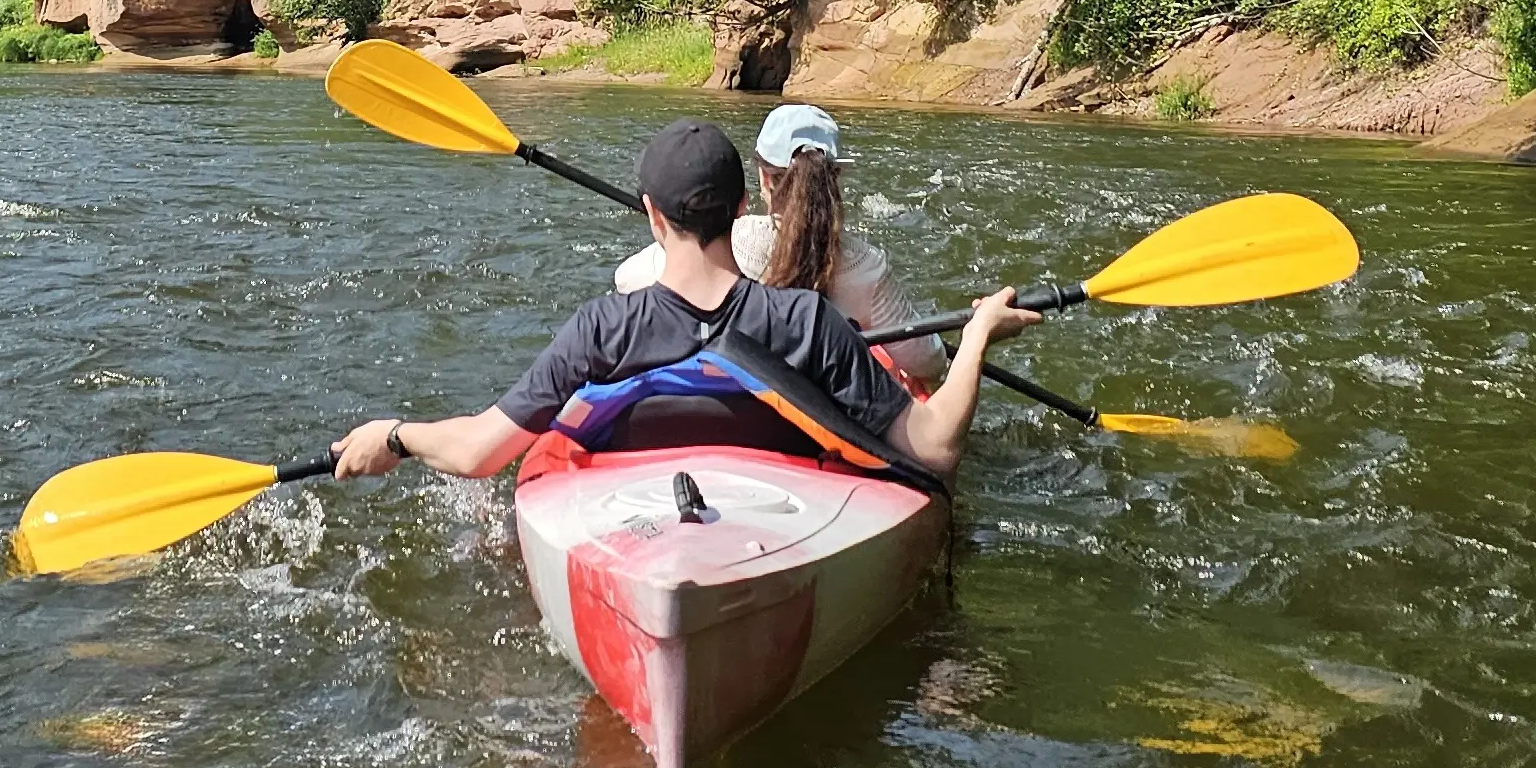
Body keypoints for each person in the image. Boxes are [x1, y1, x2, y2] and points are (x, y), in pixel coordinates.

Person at [334, 120, 1033, 488]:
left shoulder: (603, 329)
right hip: (785, 510)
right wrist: (976, 335)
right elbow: (936, 448)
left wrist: (395, 435)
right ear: (740, 208)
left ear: (650, 214)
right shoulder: (806, 322)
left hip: (642, 521)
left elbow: (479, 453)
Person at [612, 99, 906, 331]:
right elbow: (926, 361)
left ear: (764, 179)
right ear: (835, 178)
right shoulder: (867, 265)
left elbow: (626, 279)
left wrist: (670, 230)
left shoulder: (728, 239)